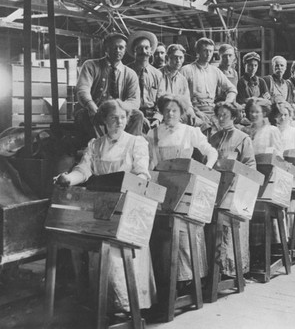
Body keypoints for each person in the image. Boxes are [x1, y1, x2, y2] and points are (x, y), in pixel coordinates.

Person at [54, 99, 155, 313]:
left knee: (120, 259)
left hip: (129, 208)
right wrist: (67, 179)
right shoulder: (95, 144)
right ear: (104, 121)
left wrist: (132, 184)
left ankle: (128, 307)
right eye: (113, 117)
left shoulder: (137, 143)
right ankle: (105, 305)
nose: (119, 121)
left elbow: (142, 172)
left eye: (122, 117)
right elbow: (83, 170)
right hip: (101, 209)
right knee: (100, 255)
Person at [147, 95, 218, 283]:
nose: (170, 114)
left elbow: (211, 151)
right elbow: (149, 163)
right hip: (162, 187)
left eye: (175, 110)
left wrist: (205, 171)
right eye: (167, 110)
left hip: (186, 186)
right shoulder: (153, 133)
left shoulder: (190, 131)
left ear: (181, 113)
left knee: (186, 228)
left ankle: (190, 278)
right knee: (162, 230)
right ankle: (166, 279)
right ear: (161, 112)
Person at [208, 102, 255, 276]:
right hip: (216, 188)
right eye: (218, 115)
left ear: (234, 117)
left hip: (236, 189)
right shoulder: (213, 138)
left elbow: (250, 166)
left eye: (225, 115)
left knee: (230, 228)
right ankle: (215, 271)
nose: (220, 119)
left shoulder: (243, 138)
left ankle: (232, 271)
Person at [75, 33, 143, 145]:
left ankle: (128, 148)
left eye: (121, 47)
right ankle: (95, 149)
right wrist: (91, 105)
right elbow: (82, 90)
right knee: (83, 115)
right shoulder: (90, 66)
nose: (117, 50)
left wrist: (119, 110)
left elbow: (134, 100)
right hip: (96, 110)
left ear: (125, 50)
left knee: (138, 115)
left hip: (119, 113)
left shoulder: (130, 74)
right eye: (114, 47)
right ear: (106, 48)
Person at [180, 37, 237, 125]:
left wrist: (226, 104)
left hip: (212, 110)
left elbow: (232, 89)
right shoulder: (186, 70)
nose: (208, 54)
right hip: (193, 110)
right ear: (198, 52)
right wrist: (195, 112)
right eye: (205, 50)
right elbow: (181, 96)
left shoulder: (215, 71)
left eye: (210, 51)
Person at [127, 31, 163, 131]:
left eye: (146, 48)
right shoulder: (127, 72)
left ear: (151, 51)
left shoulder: (157, 74)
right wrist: (138, 116)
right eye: (139, 48)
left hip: (153, 116)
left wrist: (157, 119)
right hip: (132, 115)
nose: (143, 51)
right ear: (134, 51)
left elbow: (161, 101)